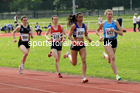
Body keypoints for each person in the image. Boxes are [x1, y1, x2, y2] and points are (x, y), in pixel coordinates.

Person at [63, 12, 92, 83]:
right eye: (79, 17)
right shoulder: (74, 26)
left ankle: (83, 77)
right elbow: (69, 36)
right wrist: (73, 40)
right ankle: (68, 55)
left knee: (84, 60)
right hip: (74, 45)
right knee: (74, 63)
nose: (81, 18)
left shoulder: (84, 26)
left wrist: (88, 38)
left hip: (81, 44)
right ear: (76, 18)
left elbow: (86, 35)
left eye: (82, 17)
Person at [96, 9, 123, 81]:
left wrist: (114, 30)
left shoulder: (115, 22)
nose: (110, 16)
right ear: (106, 15)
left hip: (114, 41)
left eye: (111, 14)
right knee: (113, 58)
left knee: (110, 60)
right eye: (109, 14)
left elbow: (121, 33)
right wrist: (100, 36)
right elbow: (97, 31)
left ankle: (105, 55)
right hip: (107, 41)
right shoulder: (103, 23)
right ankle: (116, 75)